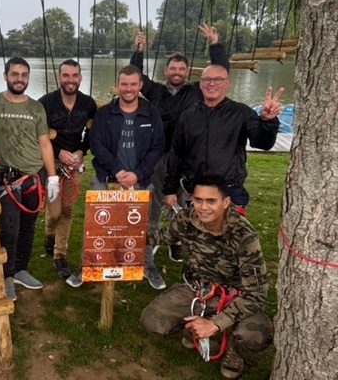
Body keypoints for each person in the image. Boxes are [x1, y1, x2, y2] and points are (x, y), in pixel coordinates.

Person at [140, 174, 272, 379]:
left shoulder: (243, 234)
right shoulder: (186, 219)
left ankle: (235, 351)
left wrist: (216, 323)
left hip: (235, 296)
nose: (203, 207)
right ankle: (194, 326)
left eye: (211, 201)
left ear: (226, 202)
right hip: (197, 290)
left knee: (255, 335)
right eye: (198, 200)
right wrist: (121, 230)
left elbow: (257, 294)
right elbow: (164, 237)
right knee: (151, 322)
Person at [130, 24, 229, 264]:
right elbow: (135, 75)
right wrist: (139, 51)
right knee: (154, 201)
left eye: (181, 69)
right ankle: (150, 245)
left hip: (187, 157)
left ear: (187, 72)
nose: (177, 72)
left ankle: (177, 242)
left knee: (184, 202)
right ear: (166, 71)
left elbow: (220, 74)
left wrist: (215, 45)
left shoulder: (196, 91)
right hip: (157, 155)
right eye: (173, 68)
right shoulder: (155, 91)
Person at [76, 65, 164, 289]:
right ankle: (88, 265)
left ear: (140, 85)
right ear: (118, 85)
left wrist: (138, 174)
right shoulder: (105, 113)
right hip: (107, 179)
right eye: (124, 84)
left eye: (133, 84)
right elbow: (97, 145)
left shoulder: (151, 113)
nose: (128, 89)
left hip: (140, 181)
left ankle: (148, 266)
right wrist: (116, 169)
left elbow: (157, 147)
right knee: (95, 224)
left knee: (143, 226)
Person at [163, 65, 283, 213]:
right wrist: (170, 190)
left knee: (230, 229)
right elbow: (176, 155)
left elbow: (263, 143)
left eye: (218, 79)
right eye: (207, 79)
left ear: (227, 83)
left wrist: (267, 122)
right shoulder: (187, 116)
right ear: (200, 84)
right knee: (196, 228)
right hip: (197, 191)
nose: (212, 84)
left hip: (230, 191)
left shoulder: (242, 113)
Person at [0, 57, 59, 301]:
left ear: (28, 78)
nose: (19, 79)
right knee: (10, 229)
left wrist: (53, 178)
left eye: (24, 75)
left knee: (29, 226)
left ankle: (21, 269)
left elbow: (45, 143)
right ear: (5, 76)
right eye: (15, 74)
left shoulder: (36, 108)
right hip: (7, 178)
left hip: (34, 177)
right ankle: (7, 276)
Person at [38, 59, 97, 279]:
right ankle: (49, 233)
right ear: (59, 78)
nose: (70, 80)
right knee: (54, 212)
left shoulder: (88, 103)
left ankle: (59, 254)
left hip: (74, 165)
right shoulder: (46, 102)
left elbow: (92, 132)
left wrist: (82, 150)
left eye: (74, 76)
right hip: (51, 163)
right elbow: (38, 135)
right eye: (66, 75)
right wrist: (58, 150)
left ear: (80, 78)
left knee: (68, 210)